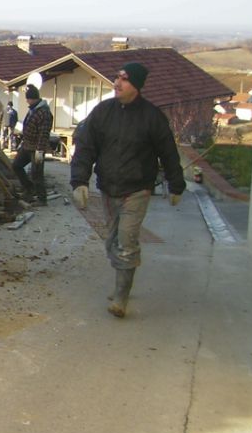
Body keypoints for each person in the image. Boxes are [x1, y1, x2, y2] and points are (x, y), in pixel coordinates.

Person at [70, 62, 186, 318]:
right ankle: (124, 277)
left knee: (126, 240)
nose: (117, 83)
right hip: (108, 189)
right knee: (111, 240)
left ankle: (121, 296)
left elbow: (168, 153)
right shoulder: (103, 112)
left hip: (137, 190)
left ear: (137, 86)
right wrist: (79, 181)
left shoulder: (152, 117)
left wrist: (176, 185)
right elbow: (86, 147)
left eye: (125, 79)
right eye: (116, 77)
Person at [12, 84, 53, 205]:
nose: (26, 101)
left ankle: (42, 198)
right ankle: (29, 188)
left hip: (37, 148)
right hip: (27, 145)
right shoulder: (33, 109)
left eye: (28, 98)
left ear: (32, 98)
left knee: (37, 174)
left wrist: (39, 151)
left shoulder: (44, 112)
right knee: (16, 165)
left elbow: (43, 134)